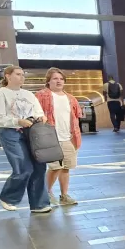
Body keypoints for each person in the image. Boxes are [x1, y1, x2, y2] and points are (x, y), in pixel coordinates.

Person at [0, 66, 51, 213]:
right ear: (8, 76)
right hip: (10, 133)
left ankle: (39, 204)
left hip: (31, 132)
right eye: (18, 74)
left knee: (39, 167)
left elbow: (38, 111)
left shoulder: (28, 94)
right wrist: (17, 121)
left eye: (23, 74)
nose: (22, 77)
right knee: (23, 167)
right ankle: (8, 197)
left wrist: (41, 117)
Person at [36, 68, 82, 206]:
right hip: (50, 138)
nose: (59, 81)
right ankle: (46, 193)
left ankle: (64, 195)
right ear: (48, 81)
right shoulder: (41, 95)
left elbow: (76, 117)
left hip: (68, 137)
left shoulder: (70, 98)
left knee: (66, 167)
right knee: (54, 167)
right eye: (55, 78)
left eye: (61, 79)